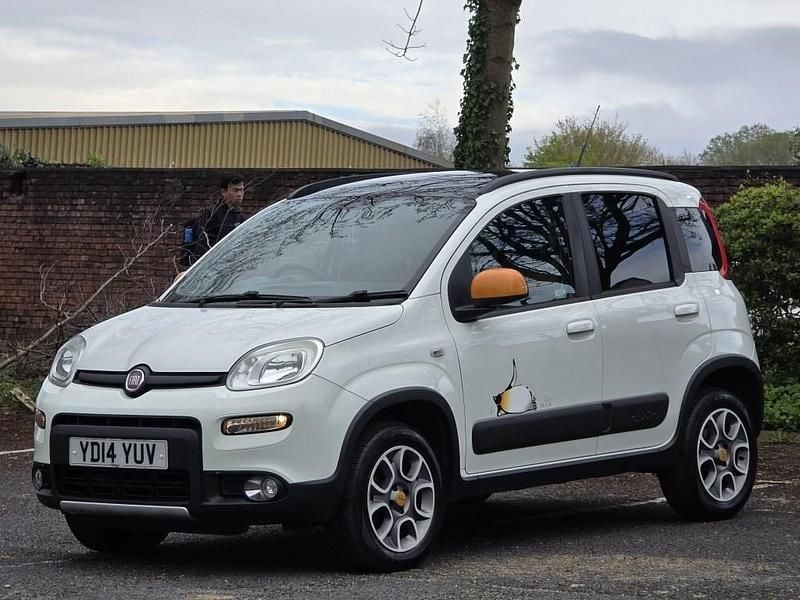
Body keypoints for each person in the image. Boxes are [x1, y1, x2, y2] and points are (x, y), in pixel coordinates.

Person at [181, 174, 247, 267]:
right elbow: (202, 248)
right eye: (235, 190)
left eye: (242, 190)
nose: (239, 194)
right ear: (224, 192)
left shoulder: (240, 218)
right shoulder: (211, 215)